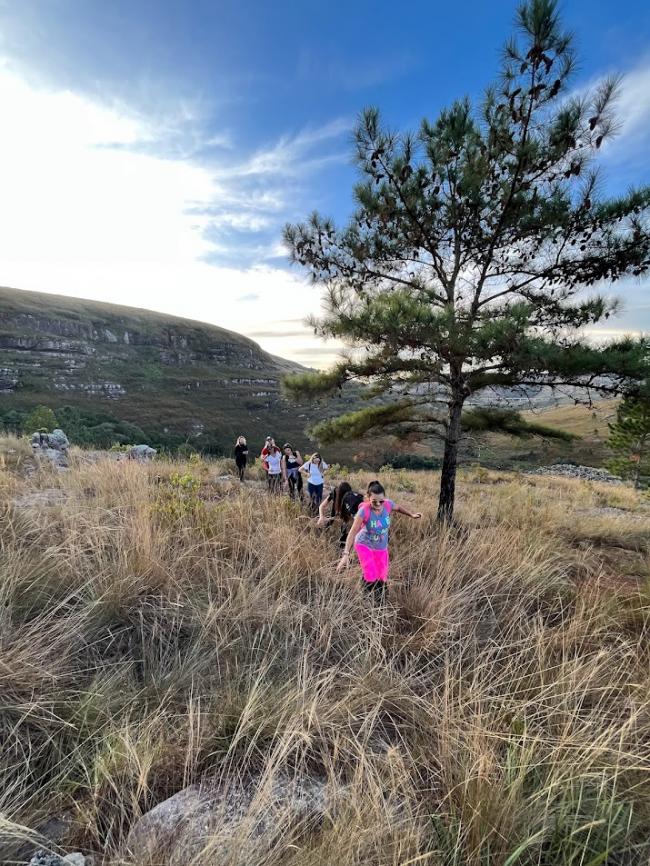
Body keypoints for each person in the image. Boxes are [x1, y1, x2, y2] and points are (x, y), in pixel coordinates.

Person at [337, 480, 421, 602]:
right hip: (364, 544)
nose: (378, 504)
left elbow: (398, 508)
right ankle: (366, 600)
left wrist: (411, 515)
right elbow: (352, 532)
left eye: (381, 501)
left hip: (381, 546)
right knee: (371, 574)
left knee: (382, 576)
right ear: (368, 498)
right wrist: (345, 554)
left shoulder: (388, 504)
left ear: (384, 498)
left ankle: (381, 600)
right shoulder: (364, 511)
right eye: (374, 501)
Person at [318, 481, 363, 548]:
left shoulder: (349, 499)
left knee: (345, 530)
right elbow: (321, 506)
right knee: (329, 524)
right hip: (339, 511)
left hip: (349, 516)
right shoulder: (334, 493)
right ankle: (323, 537)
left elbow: (355, 519)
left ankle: (343, 545)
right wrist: (321, 517)